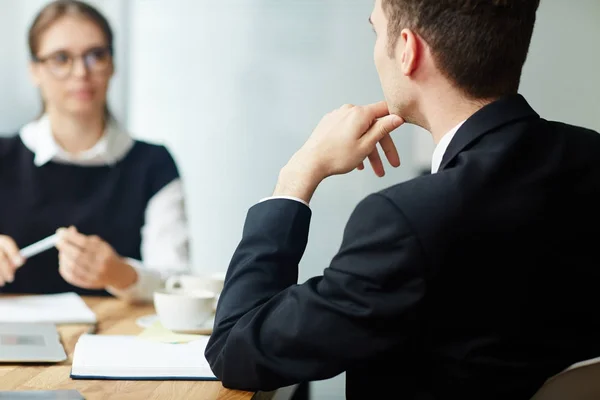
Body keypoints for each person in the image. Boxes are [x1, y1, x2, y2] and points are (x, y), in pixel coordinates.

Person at [205, 0, 600, 398]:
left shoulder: (405, 222)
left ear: (408, 50)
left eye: (376, 32)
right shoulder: (590, 156)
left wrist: (297, 175)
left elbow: (234, 351)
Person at [0, 0, 189, 302]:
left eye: (95, 55)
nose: (80, 72)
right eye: (61, 58)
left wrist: (119, 274)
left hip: (117, 340)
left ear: (112, 64)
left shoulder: (153, 165)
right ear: (35, 70)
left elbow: (177, 283)